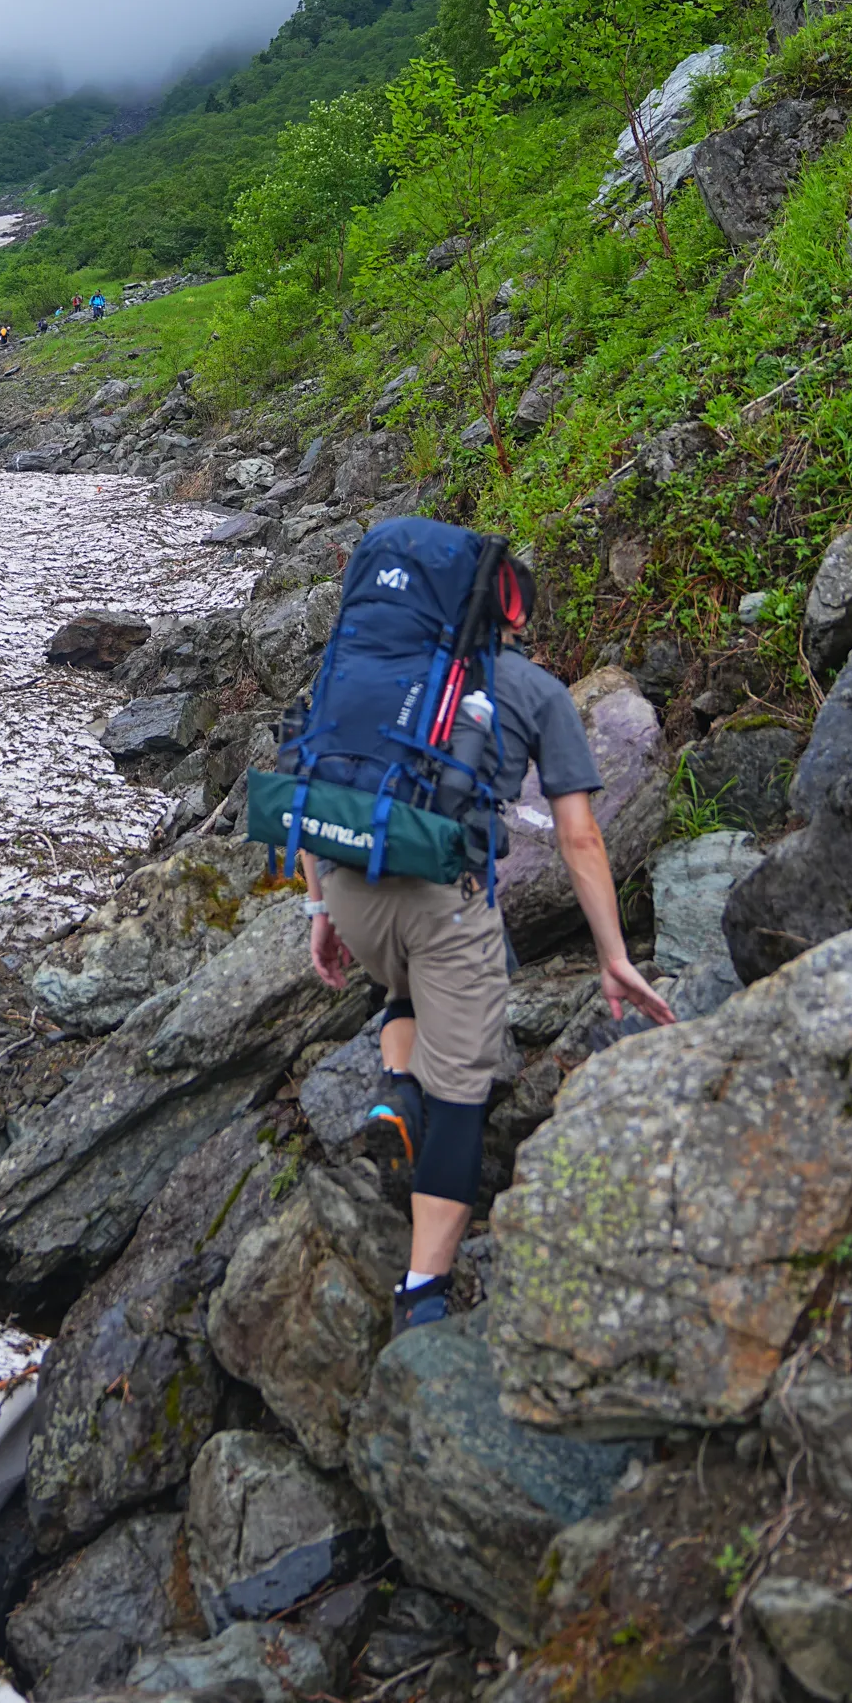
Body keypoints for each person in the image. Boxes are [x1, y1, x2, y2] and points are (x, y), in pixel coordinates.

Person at [298, 555, 673, 1331]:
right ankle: (422, 1295)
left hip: (348, 890)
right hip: (448, 905)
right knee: (463, 1097)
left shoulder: (371, 671)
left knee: (403, 977)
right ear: (515, 619)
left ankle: (398, 1085)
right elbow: (579, 838)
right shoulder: (535, 691)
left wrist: (319, 909)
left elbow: (313, 783)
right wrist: (612, 955)